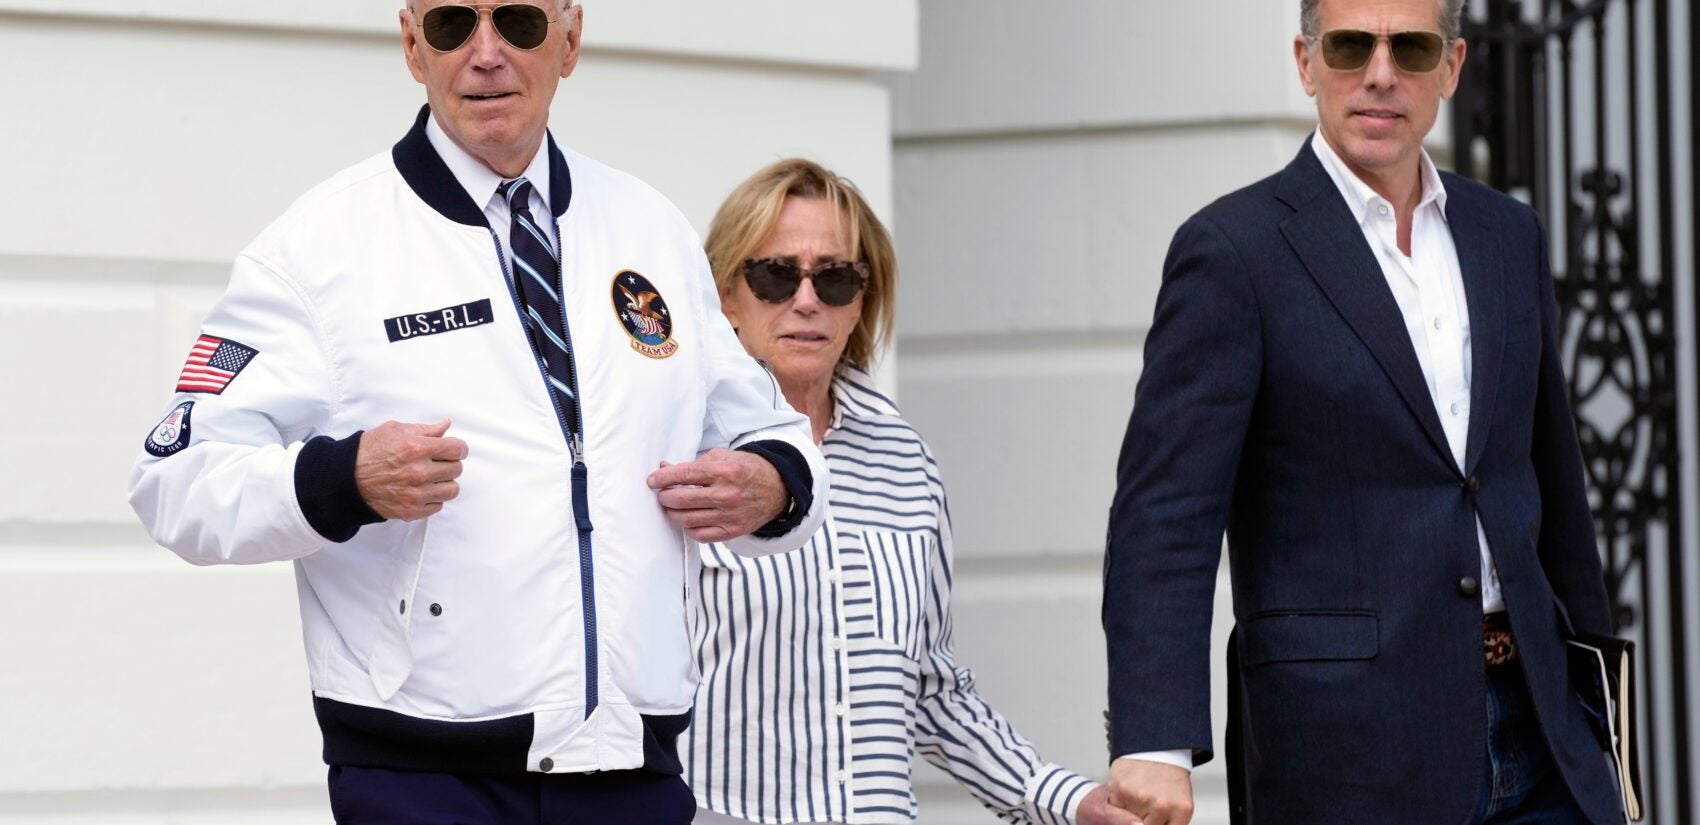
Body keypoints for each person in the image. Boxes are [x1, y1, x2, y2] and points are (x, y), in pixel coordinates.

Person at [126, 2, 828, 822]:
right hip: (422, 779)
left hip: (631, 768)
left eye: (519, 22)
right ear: (412, 45)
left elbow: (774, 436)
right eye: (455, 23)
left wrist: (774, 485)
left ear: (569, 41)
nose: (486, 54)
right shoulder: (317, 251)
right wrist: (341, 479)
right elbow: (174, 480)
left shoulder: (651, 231)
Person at [1100, 0, 1624, 823]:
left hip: (1542, 735)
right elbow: (1166, 511)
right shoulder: (1234, 251)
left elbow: (1552, 484)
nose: (1380, 74)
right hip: (1343, 753)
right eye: (1351, 45)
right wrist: (1154, 738)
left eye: (1410, 47)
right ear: (1307, 63)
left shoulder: (1506, 235)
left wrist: (1601, 719)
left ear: (1450, 68)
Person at [681, 159, 1134, 825]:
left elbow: (930, 690)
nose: (806, 299)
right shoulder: (683, 447)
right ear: (727, 296)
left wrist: (1063, 799)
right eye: (776, 274)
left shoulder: (905, 460)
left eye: (834, 277)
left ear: (861, 298)